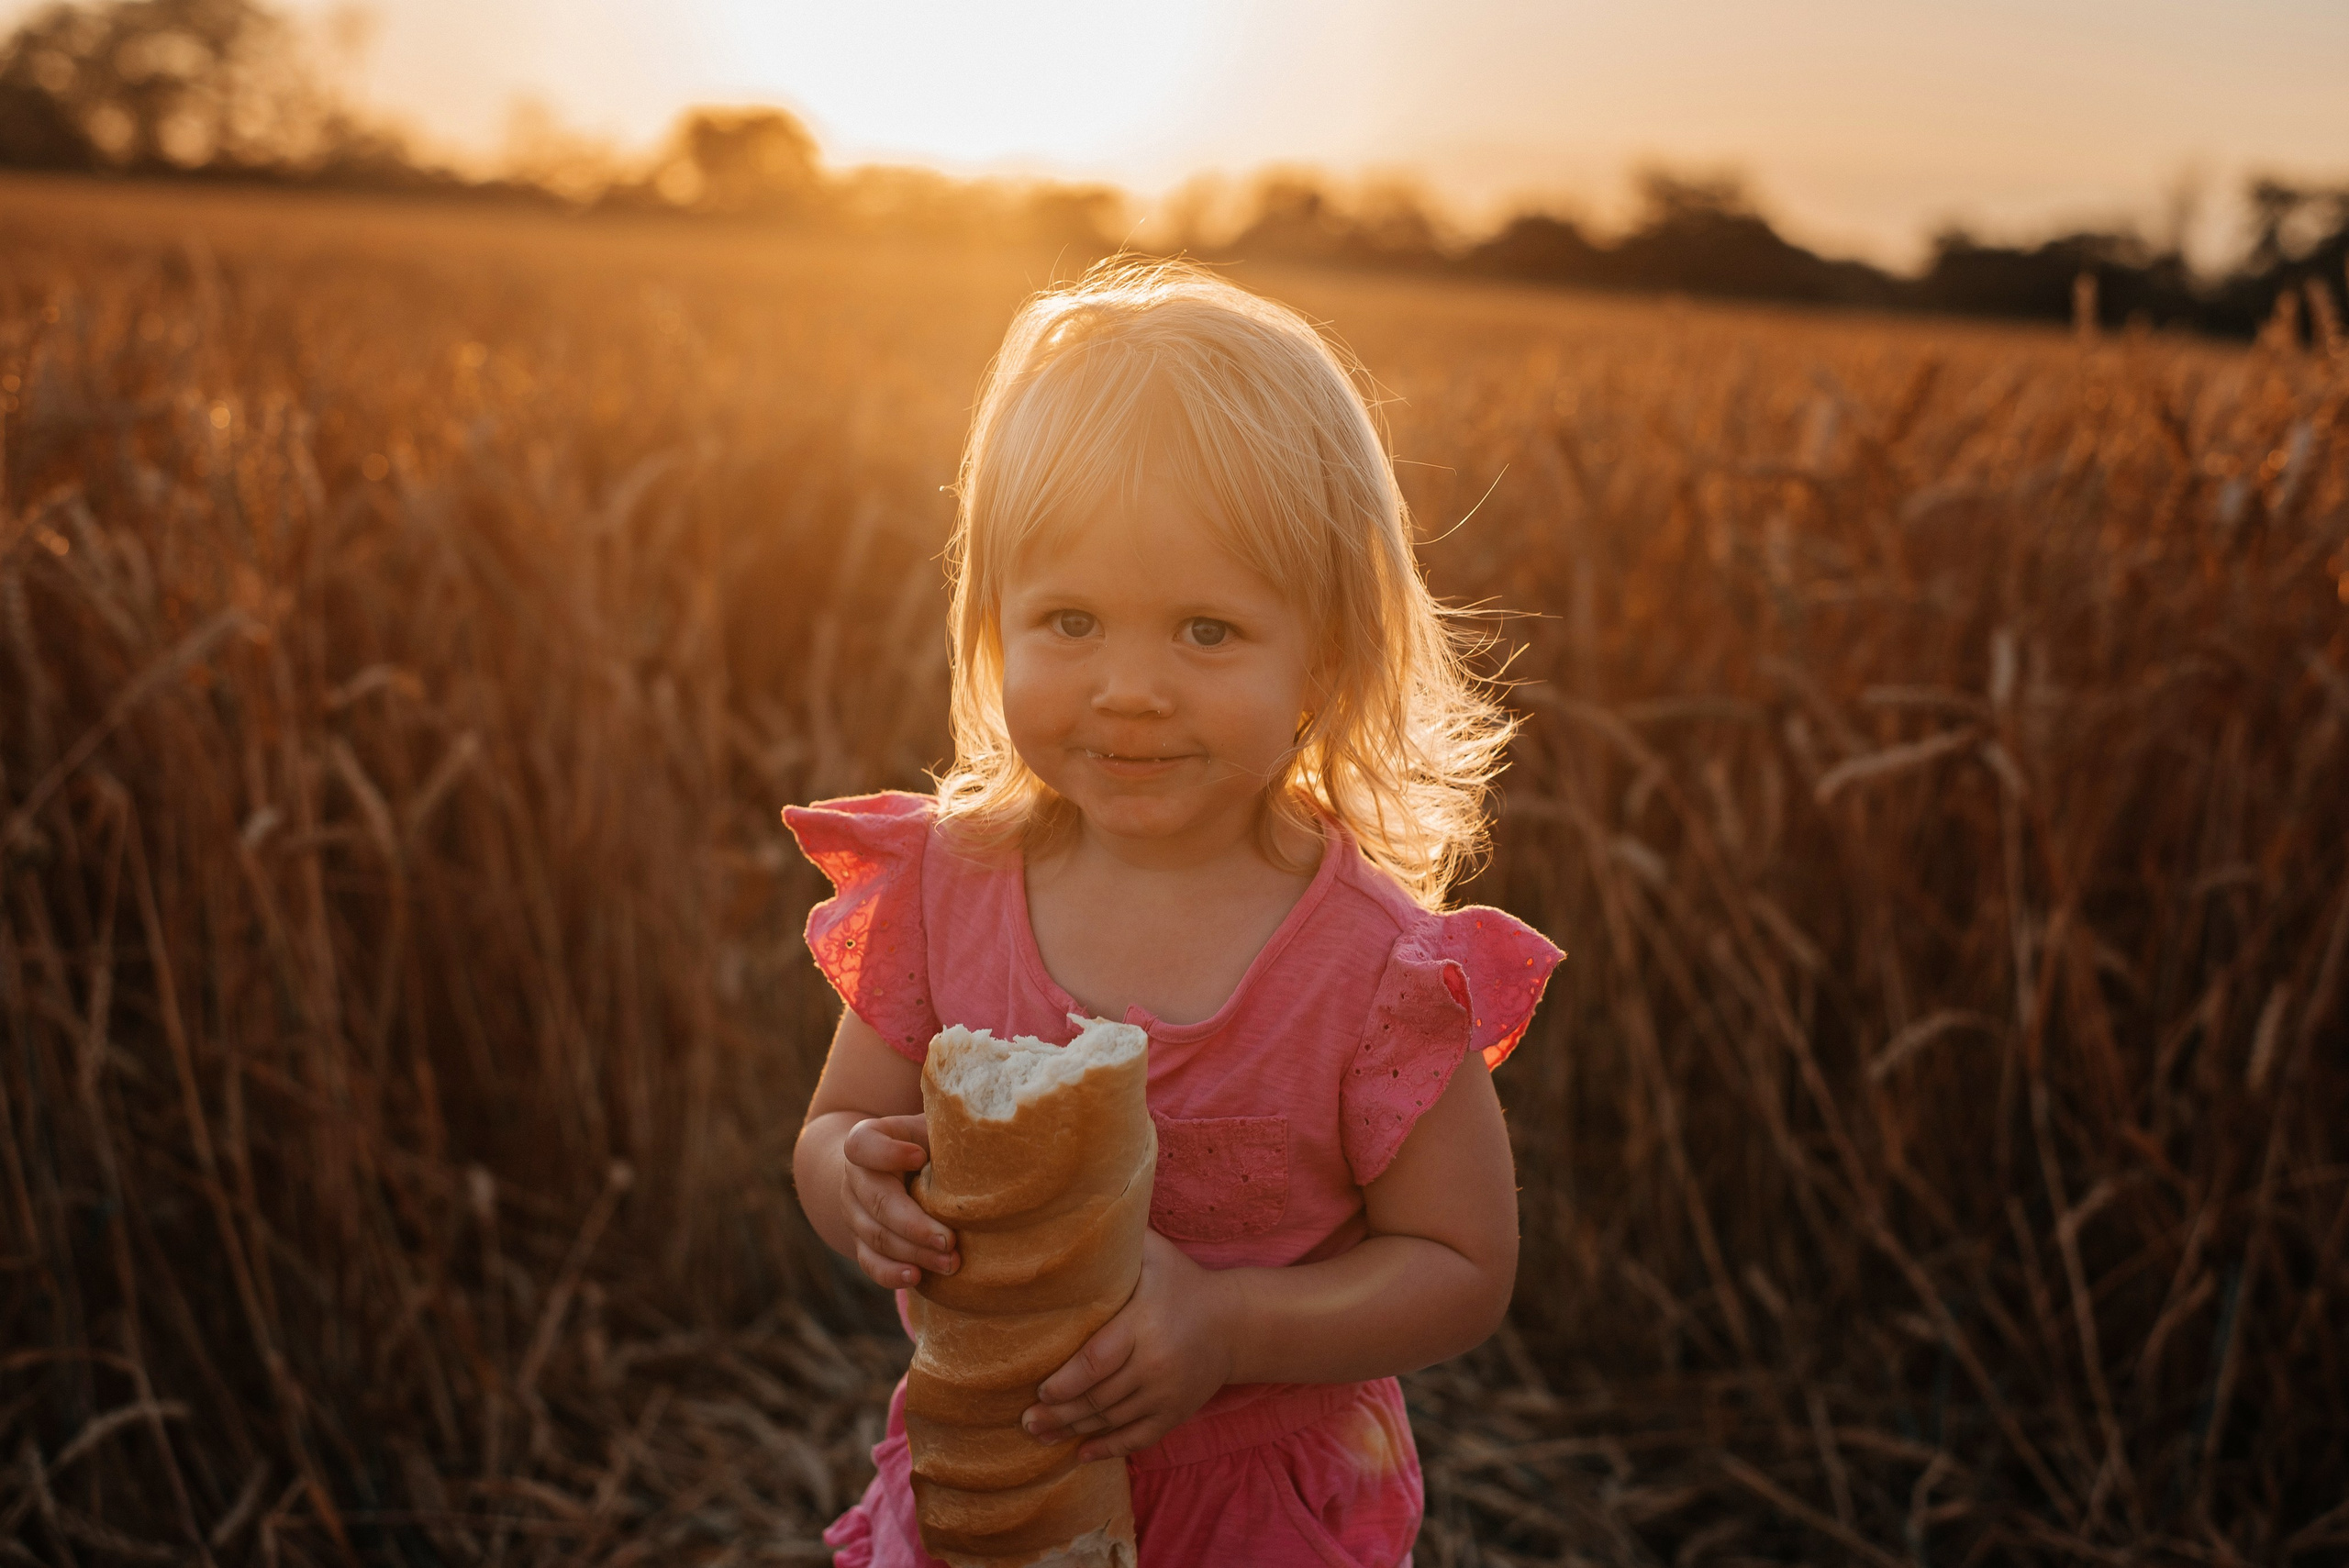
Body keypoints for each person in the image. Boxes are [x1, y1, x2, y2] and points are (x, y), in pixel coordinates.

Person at [787, 258, 1563, 1568]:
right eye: (1071, 621)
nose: (1130, 688)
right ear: (990, 624)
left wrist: (1234, 1325)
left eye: (1206, 631)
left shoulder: (1372, 969)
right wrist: (852, 1181)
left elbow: (1460, 1261)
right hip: (996, 1475)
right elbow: (834, 1126)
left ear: (1326, 650)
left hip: (1256, 1511)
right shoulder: (946, 891)